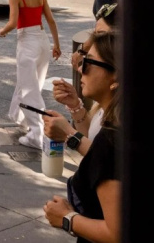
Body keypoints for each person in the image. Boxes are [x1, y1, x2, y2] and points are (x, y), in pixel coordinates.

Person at [42, 31, 120, 243]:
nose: (79, 68)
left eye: (87, 62)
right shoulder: (112, 118)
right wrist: (75, 105)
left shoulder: (112, 140)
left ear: (116, 77)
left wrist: (66, 218)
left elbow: (116, 233)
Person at [0, 0, 62, 149]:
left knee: (29, 88)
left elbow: (12, 22)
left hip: (27, 42)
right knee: (34, 84)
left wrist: (2, 31)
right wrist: (56, 45)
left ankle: (36, 133)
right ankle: (23, 118)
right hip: (43, 41)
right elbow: (51, 20)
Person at [48, 3, 120, 156]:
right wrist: (75, 106)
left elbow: (105, 161)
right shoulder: (108, 105)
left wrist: (69, 135)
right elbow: (92, 136)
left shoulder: (123, 118)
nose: (80, 69)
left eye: (101, 35)